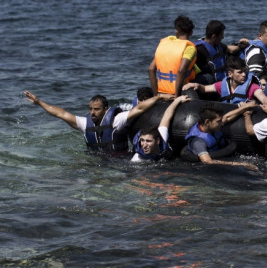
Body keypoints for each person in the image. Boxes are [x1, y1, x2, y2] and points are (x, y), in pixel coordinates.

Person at [23, 90, 162, 153]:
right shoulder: (85, 123)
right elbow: (61, 114)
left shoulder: (117, 120)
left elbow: (140, 108)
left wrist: (158, 97)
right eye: (90, 109)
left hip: (119, 160)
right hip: (96, 161)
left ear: (105, 109)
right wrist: (39, 102)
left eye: (96, 109)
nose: (92, 112)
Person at [180, 107, 258, 169]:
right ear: (207, 122)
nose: (222, 123)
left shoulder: (211, 126)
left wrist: (245, 108)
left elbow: (227, 117)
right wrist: (241, 164)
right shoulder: (198, 141)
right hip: (205, 169)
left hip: (219, 151)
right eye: (219, 121)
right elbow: (207, 161)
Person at [184, 57, 267, 105]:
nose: (244, 75)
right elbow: (205, 89)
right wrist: (197, 85)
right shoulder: (222, 85)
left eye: (244, 72)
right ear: (230, 74)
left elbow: (263, 98)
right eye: (240, 72)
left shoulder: (253, 87)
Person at [148, 15, 198, 97]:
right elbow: (181, 71)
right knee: (207, 78)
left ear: (176, 31)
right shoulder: (189, 48)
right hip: (180, 90)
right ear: (191, 32)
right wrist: (177, 97)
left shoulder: (165, 43)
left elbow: (151, 69)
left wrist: (156, 95)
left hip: (162, 91)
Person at [131, 95, 189, 162]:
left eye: (148, 141)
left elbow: (167, 116)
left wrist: (177, 100)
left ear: (158, 141)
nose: (144, 145)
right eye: (142, 140)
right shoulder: (137, 159)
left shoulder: (162, 137)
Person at [193, 20, 248, 84]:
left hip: (222, 82)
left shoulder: (218, 45)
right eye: (221, 35)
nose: (223, 37)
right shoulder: (199, 50)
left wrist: (241, 45)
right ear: (214, 36)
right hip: (209, 85)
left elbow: (230, 49)